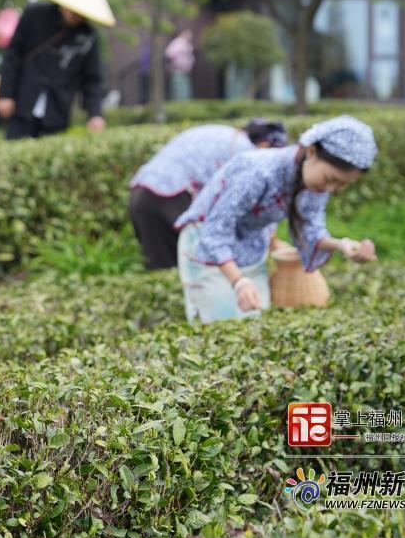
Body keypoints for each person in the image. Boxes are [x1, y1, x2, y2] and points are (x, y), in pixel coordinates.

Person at [173, 116, 378, 324]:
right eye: (330, 179)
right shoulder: (257, 171)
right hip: (208, 249)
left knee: (254, 323)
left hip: (251, 248)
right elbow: (215, 231)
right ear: (311, 152)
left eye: (341, 185)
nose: (331, 189)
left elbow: (312, 230)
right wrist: (239, 282)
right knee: (220, 324)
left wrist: (342, 245)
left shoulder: (313, 185)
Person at [128, 119, 288, 270]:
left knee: (159, 267)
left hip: (141, 193)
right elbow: (247, 203)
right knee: (187, 269)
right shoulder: (246, 153)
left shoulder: (228, 135)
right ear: (265, 145)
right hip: (170, 196)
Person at [0, 0, 115, 139]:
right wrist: (5, 95)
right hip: (23, 101)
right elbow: (12, 56)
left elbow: (92, 79)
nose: (76, 15)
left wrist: (95, 114)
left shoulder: (88, 36)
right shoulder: (34, 15)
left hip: (58, 110)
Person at [165, 29, 195, 101]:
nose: (190, 36)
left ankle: (184, 105)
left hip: (185, 71)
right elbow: (169, 53)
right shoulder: (178, 42)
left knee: (185, 90)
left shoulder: (187, 43)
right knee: (179, 90)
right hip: (178, 70)